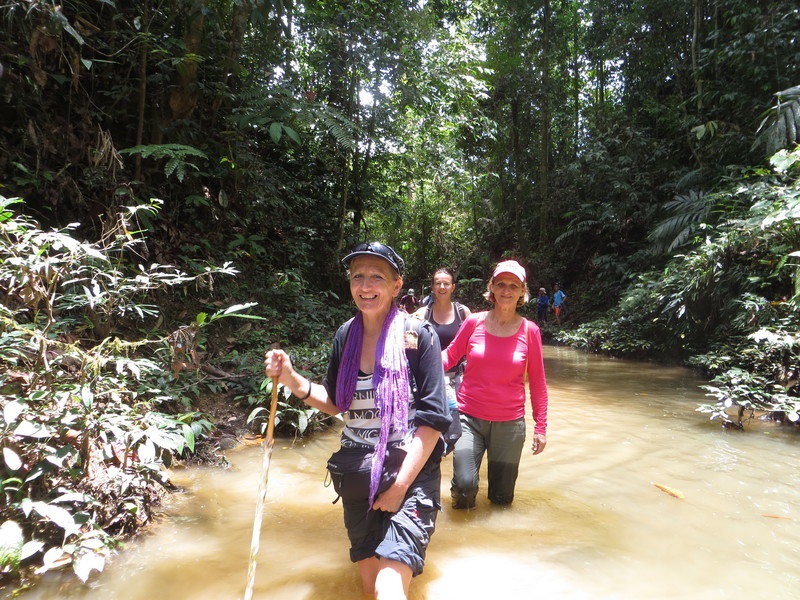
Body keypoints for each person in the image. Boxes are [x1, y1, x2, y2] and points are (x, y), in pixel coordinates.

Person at [264, 242, 450, 600]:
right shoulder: (345, 335)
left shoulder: (418, 337)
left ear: (397, 286)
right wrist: (289, 377)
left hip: (411, 472)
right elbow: (336, 403)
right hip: (357, 470)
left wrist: (397, 490)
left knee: (388, 584)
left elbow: (433, 421)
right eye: (358, 277)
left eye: (377, 277)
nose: (366, 286)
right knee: (368, 586)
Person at [442, 259, 548, 509]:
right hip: (469, 418)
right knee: (465, 487)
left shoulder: (530, 331)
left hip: (509, 425)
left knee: (502, 500)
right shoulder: (474, 322)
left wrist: (541, 427)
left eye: (514, 285)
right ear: (492, 287)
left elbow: (538, 383)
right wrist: (414, 358)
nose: (507, 290)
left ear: (522, 291)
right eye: (501, 284)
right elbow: (448, 357)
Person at [413, 268, 472, 453]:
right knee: (432, 426)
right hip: (431, 379)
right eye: (438, 283)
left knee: (458, 429)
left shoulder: (463, 313)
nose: (442, 287)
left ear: (453, 287)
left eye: (446, 283)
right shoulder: (422, 314)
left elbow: (473, 346)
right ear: (432, 287)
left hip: (458, 379)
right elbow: (413, 347)